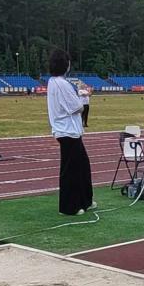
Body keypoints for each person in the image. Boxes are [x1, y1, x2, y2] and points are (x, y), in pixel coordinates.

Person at [47, 49, 95, 215]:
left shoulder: (53, 82)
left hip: (68, 131)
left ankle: (85, 200)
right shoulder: (62, 84)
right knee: (71, 171)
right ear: (65, 65)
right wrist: (81, 100)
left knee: (82, 166)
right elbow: (76, 107)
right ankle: (68, 207)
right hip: (67, 132)